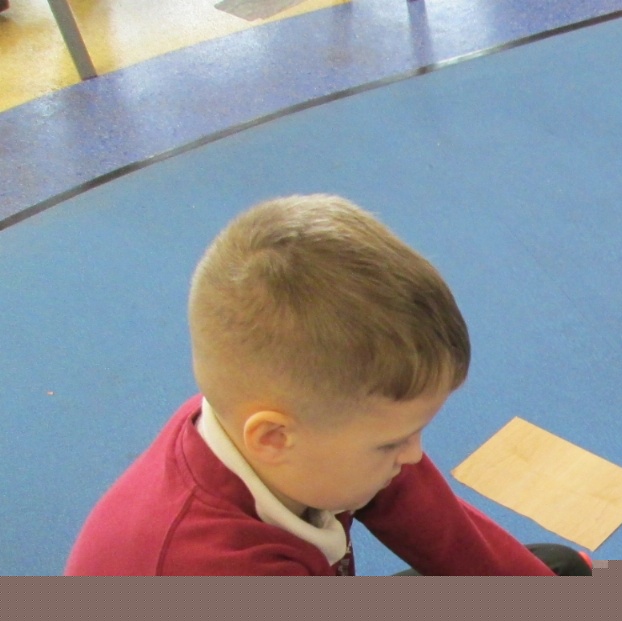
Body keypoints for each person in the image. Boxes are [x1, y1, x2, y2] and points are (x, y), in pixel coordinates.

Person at [66, 195, 590, 575]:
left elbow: (432, 519)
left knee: (555, 569)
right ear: (273, 439)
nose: (413, 456)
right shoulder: (211, 565)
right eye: (392, 443)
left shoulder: (297, 428)